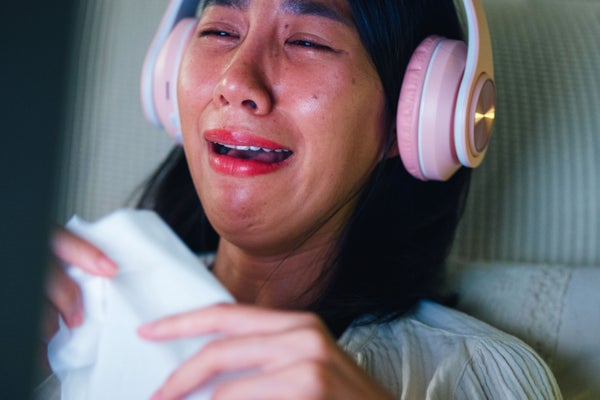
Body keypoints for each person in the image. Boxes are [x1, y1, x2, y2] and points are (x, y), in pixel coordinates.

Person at [42, 0, 562, 398]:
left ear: (422, 110)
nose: (236, 82)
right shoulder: (64, 322)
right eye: (221, 30)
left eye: (308, 41)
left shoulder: (480, 375)